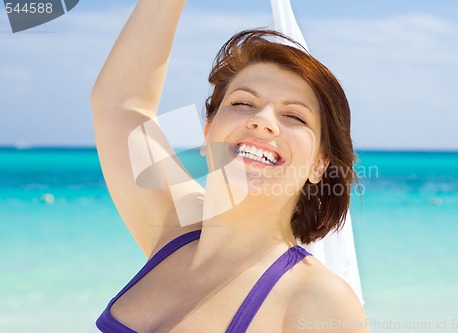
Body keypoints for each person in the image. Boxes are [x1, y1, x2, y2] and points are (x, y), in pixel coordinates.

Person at [90, 0, 369, 332]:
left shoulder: (318, 300)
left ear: (319, 165)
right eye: (242, 103)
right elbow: (119, 104)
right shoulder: (174, 229)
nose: (262, 121)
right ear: (207, 134)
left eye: (294, 115)